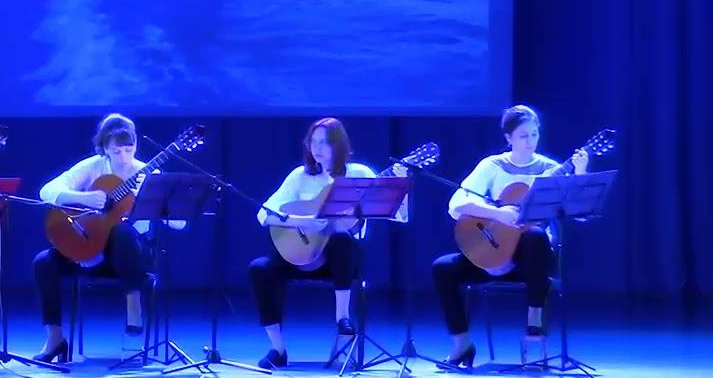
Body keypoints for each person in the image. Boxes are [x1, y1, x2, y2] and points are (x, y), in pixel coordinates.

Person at [431, 105, 588, 367]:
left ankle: (534, 326)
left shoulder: (551, 169)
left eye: (534, 134)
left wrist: (580, 171)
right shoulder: (492, 166)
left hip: (532, 263)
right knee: (443, 267)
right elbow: (456, 204)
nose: (530, 141)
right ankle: (461, 344)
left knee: (535, 235)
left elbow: (579, 213)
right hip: (493, 253)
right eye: (523, 135)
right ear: (509, 138)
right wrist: (498, 213)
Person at [248, 117, 407, 369]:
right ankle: (278, 349)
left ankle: (342, 319)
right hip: (299, 256)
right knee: (259, 268)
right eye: (314, 142)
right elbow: (264, 214)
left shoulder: (359, 174)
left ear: (339, 145)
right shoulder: (300, 176)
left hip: (338, 262)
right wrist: (305, 221)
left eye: (324, 142)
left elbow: (397, 214)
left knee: (341, 238)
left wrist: (401, 185)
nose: (317, 148)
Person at [31, 113, 182, 362]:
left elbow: (179, 223)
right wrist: (85, 198)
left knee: (121, 231)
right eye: (116, 150)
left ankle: (133, 304)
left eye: (129, 149)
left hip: (133, 258)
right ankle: (55, 338)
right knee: (43, 262)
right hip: (91, 250)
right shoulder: (93, 167)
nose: (124, 157)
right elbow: (47, 191)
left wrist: (152, 203)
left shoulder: (147, 173)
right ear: (104, 148)